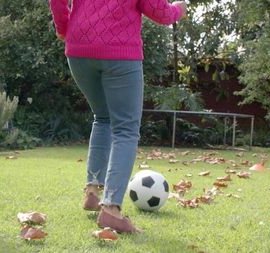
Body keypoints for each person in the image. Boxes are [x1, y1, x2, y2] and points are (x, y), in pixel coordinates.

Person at [49, 0, 187, 233]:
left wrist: (63, 28)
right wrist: (178, 10)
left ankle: (92, 191)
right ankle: (111, 208)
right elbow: (160, 12)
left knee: (102, 117)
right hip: (119, 51)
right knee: (126, 129)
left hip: (79, 49)